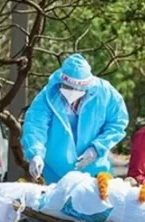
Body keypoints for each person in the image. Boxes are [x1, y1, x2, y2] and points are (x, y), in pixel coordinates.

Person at [21, 53, 129, 183]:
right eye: (67, 87)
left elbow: (118, 122)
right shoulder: (48, 96)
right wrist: (36, 154)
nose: (72, 92)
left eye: (78, 88)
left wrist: (97, 148)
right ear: (61, 81)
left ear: (87, 86)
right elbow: (35, 126)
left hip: (95, 170)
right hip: (56, 172)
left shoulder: (105, 93)